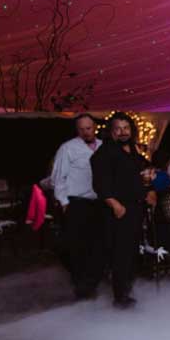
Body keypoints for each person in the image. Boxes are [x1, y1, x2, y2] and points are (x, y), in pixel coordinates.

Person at [90, 113, 150, 309]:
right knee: (120, 253)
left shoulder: (133, 150)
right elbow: (100, 184)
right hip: (118, 209)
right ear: (111, 131)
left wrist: (147, 180)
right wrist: (115, 205)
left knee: (132, 251)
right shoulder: (104, 153)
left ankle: (127, 291)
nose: (123, 132)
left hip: (135, 207)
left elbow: (135, 176)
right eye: (118, 128)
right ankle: (120, 298)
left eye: (126, 128)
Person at [51, 113, 104, 299]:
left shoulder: (104, 147)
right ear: (77, 130)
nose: (85, 132)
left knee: (98, 245)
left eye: (88, 128)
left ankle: (94, 281)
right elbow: (58, 178)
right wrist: (64, 202)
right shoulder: (68, 148)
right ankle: (81, 285)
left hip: (100, 204)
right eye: (81, 129)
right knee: (76, 246)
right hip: (78, 203)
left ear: (95, 127)